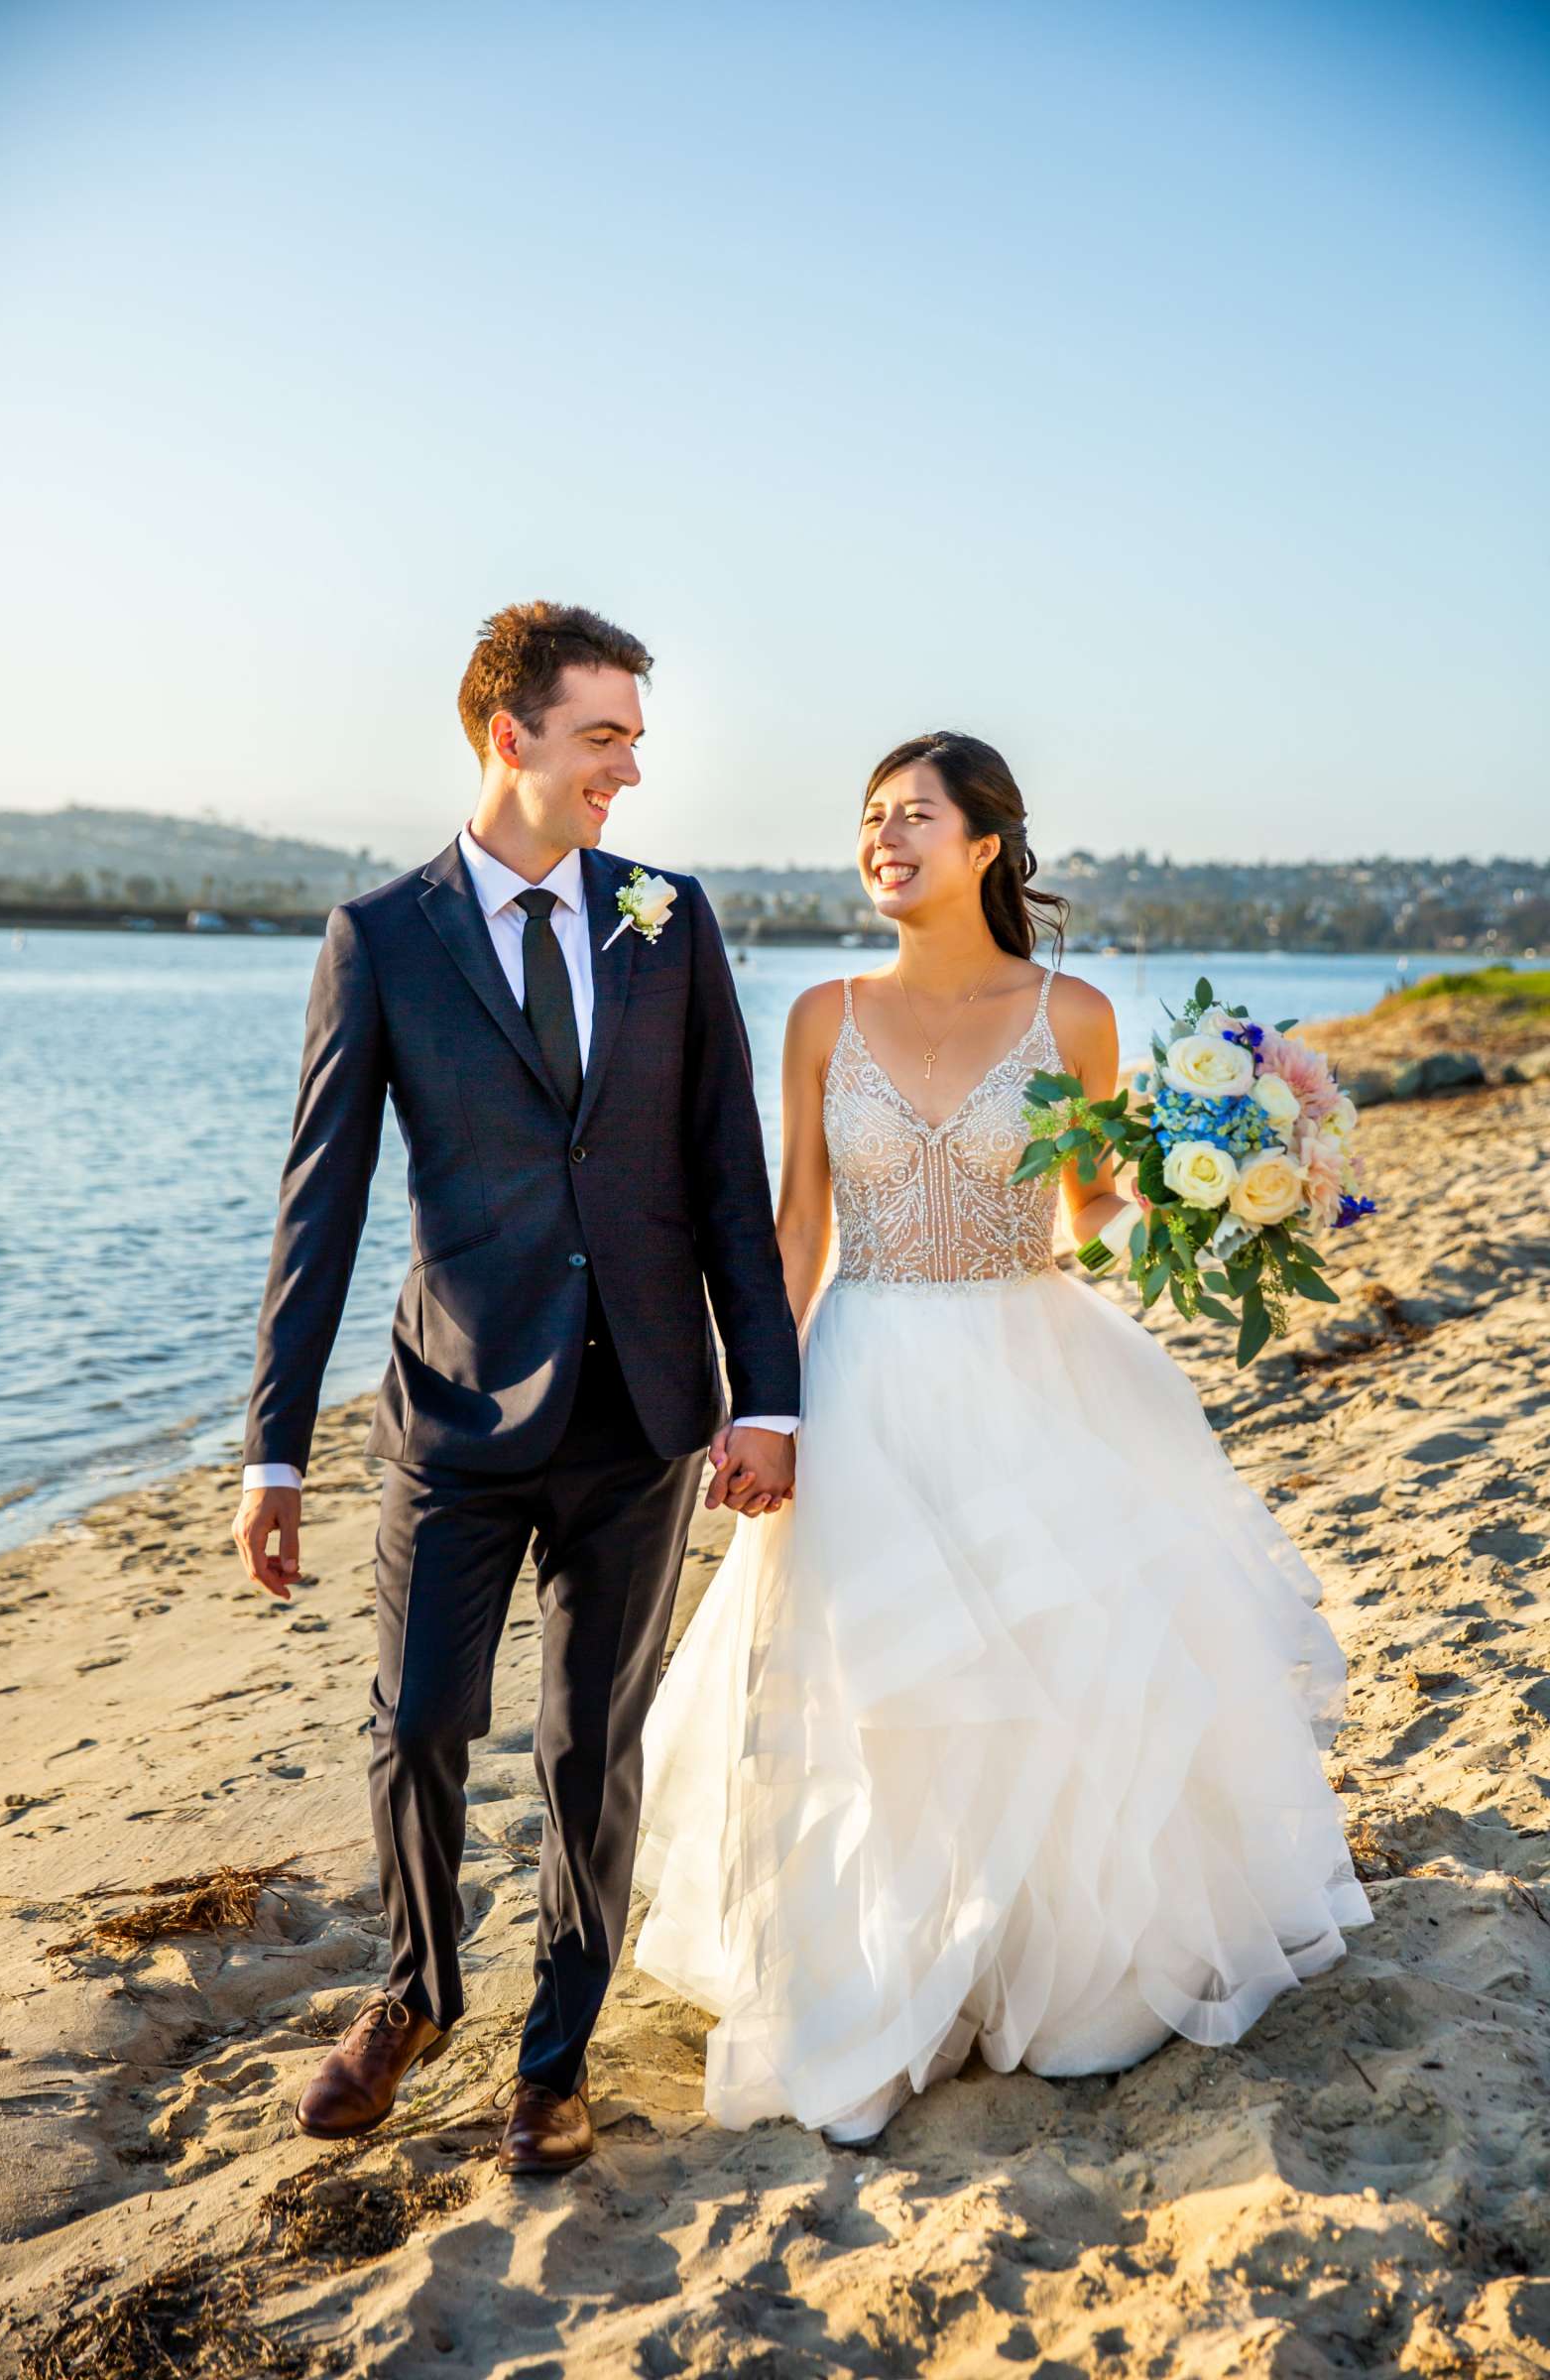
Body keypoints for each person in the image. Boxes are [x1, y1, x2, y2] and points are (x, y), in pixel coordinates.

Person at [633, 730, 1372, 2146]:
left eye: (913, 815)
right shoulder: (822, 1016)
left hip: (1030, 1364)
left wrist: (1204, 1192)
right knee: (883, 1685)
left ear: (985, 846)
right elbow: (796, 1228)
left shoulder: (1073, 1014)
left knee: (1046, 1671)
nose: (883, 838)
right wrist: (763, 1407)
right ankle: (894, 1964)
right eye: (869, 818)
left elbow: (1089, 1207)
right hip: (862, 1370)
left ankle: (1046, 1960)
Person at [232, 601, 800, 2174]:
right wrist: (273, 1452)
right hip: (456, 1410)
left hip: (643, 1415)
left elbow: (723, 1176)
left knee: (584, 1750)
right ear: (512, 735)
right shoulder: (384, 936)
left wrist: (772, 1397)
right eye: (604, 733)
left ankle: (554, 2061)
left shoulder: (666, 921)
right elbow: (321, 1202)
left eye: (632, 734)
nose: (630, 765)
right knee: (416, 1720)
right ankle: (414, 1991)